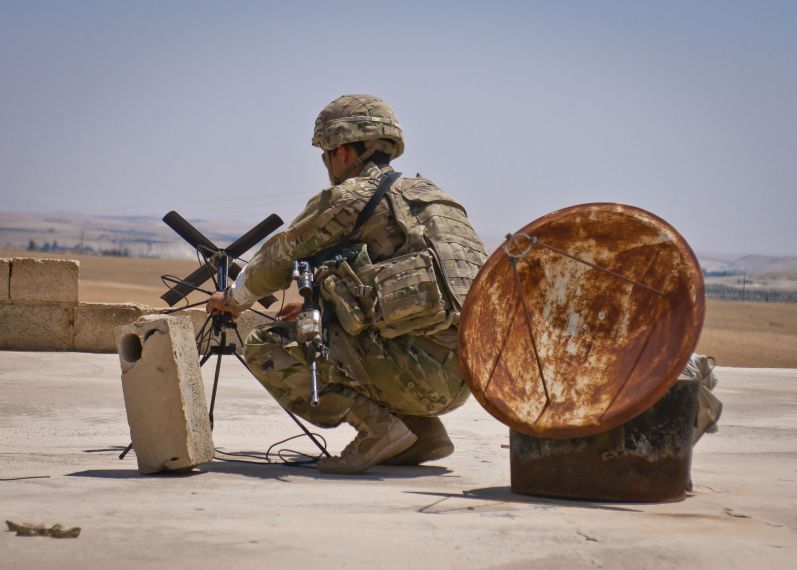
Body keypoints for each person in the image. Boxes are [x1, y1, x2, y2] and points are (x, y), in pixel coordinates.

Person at [207, 94, 487, 474]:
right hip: (468, 374)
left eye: (326, 154)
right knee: (319, 328)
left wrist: (233, 299)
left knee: (266, 344)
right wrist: (323, 309)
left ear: (341, 151)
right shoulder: (437, 200)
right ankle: (424, 435)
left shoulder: (353, 197)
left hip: (418, 373)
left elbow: (279, 257)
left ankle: (378, 429)